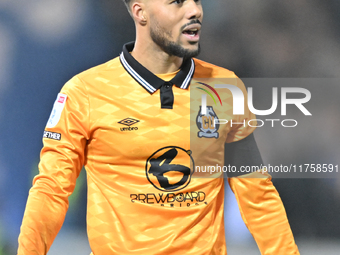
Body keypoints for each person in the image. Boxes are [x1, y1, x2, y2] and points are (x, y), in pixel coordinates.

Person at [17, 0, 300, 254]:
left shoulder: (224, 88)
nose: (194, 11)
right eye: (177, 2)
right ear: (140, 12)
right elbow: (51, 190)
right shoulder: (85, 93)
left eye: (196, 0)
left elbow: (257, 193)